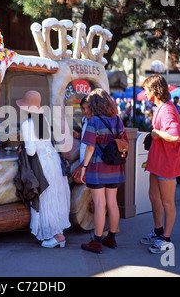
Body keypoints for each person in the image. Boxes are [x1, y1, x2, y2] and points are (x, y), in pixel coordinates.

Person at [76, 88, 128, 254]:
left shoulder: (94, 121)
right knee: (112, 203)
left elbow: (90, 147)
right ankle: (111, 238)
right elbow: (124, 142)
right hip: (115, 166)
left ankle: (97, 242)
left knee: (99, 204)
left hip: (97, 168)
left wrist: (83, 167)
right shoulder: (118, 120)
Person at [16, 90, 71, 248]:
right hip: (53, 160)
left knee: (46, 199)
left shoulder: (27, 124)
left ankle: (57, 236)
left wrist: (23, 143)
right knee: (55, 197)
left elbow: (31, 151)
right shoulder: (43, 120)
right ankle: (60, 234)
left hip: (42, 164)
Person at [140, 75, 180, 254]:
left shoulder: (167, 110)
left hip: (167, 163)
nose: (144, 93)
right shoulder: (161, 108)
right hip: (157, 161)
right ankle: (158, 231)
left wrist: (157, 133)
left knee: (167, 202)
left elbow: (176, 137)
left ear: (155, 91)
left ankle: (166, 239)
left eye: (146, 90)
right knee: (154, 197)